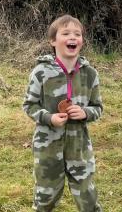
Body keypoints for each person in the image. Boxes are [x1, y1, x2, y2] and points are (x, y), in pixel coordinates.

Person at [22, 15, 103, 212]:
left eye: (77, 34)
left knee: (87, 196)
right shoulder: (40, 72)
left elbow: (98, 107)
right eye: (65, 33)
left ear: (82, 41)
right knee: (45, 197)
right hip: (47, 145)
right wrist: (49, 118)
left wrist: (85, 113)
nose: (72, 37)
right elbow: (29, 105)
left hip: (79, 146)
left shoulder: (90, 74)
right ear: (53, 41)